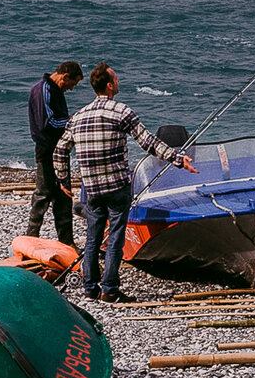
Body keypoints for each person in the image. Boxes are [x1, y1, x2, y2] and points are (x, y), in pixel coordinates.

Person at [53, 63, 197, 304]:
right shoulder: (122, 112)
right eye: (116, 79)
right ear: (109, 85)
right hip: (117, 186)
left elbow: (60, 150)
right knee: (115, 238)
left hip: (93, 189)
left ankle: (90, 288)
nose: (118, 82)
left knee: (92, 237)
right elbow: (148, 142)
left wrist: (63, 180)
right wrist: (178, 159)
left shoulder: (78, 116)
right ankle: (109, 289)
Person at [26, 61, 84, 246]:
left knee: (64, 197)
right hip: (47, 150)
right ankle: (31, 239)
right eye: (71, 84)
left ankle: (67, 243)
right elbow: (48, 123)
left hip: (60, 151)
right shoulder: (43, 89)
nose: (71, 88)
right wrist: (71, 122)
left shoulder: (54, 90)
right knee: (43, 195)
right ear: (65, 76)